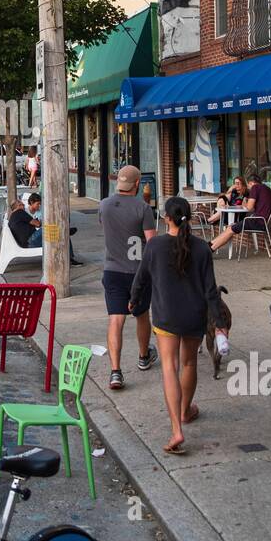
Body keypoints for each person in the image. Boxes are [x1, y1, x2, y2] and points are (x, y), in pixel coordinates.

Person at [129, 196, 225, 455]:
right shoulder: (203, 248)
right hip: (195, 315)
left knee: (169, 367)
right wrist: (221, 322)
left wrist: (134, 300)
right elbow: (211, 290)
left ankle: (176, 430)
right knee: (189, 363)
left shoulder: (155, 246)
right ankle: (186, 411)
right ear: (189, 217)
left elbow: (141, 279)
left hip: (166, 316)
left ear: (166, 218)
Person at [100, 165, 158, 390]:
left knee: (116, 319)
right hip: (138, 271)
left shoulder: (104, 205)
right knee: (141, 314)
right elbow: (151, 242)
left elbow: (105, 228)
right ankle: (144, 357)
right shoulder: (143, 208)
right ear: (136, 184)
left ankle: (115, 372)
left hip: (112, 270)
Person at [208, 172, 271, 253]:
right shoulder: (268, 189)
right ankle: (210, 244)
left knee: (230, 229)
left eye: (248, 186)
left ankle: (211, 248)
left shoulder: (255, 188)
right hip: (264, 222)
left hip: (258, 221)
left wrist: (245, 203)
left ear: (251, 183)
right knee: (232, 227)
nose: (249, 188)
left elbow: (249, 208)